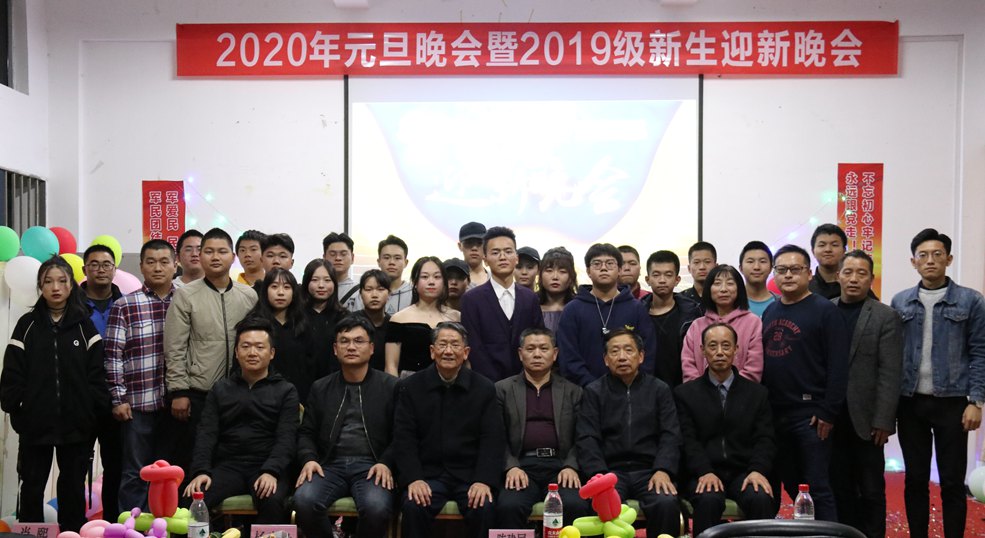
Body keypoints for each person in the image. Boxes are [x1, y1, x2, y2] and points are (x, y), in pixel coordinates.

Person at [0, 256, 107, 533]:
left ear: (71, 285)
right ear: (40, 286)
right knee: (32, 486)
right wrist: (18, 409)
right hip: (35, 424)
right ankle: (30, 533)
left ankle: (72, 532)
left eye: (62, 281)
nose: (55, 287)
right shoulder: (27, 325)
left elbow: (97, 376)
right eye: (48, 281)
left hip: (77, 426)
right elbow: (12, 372)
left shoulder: (85, 326)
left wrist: (92, 413)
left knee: (72, 486)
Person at [891, 228, 985, 538]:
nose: (930, 260)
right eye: (923, 255)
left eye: (937, 254)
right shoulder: (900, 301)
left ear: (949, 259)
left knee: (952, 481)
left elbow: (980, 351)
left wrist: (976, 401)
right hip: (910, 402)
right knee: (915, 479)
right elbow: (893, 354)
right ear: (913, 262)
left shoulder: (971, 300)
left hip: (954, 403)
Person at [761, 244, 849, 522]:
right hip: (776, 413)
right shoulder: (771, 311)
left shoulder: (825, 311)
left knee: (817, 486)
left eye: (795, 269)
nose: (788, 275)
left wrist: (828, 411)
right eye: (781, 270)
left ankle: (827, 534)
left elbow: (838, 366)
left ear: (809, 274)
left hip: (811, 416)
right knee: (791, 483)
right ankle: (805, 530)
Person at [163, 228, 258, 479]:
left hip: (239, 393)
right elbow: (174, 347)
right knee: (196, 460)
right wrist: (179, 391)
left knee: (231, 462)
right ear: (201, 256)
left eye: (222, 251)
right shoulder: (186, 295)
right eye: (209, 251)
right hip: (199, 393)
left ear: (232, 257)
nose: (215, 257)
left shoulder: (248, 296)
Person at [394, 322, 504, 538]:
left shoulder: (484, 388)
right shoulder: (411, 387)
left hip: (469, 475)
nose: (448, 351)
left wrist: (483, 480)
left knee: (484, 506)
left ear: (466, 352)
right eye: (442, 344)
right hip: (428, 474)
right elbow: (404, 438)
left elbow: (492, 439)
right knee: (413, 505)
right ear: (432, 351)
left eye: (455, 345)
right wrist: (413, 478)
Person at [183, 317, 298, 523]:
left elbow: (287, 438)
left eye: (260, 347)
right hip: (228, 466)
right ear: (236, 352)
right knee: (193, 498)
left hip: (265, 465)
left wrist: (271, 470)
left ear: (271, 353)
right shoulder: (221, 389)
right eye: (245, 346)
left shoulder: (286, 390)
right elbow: (206, 433)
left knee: (273, 500)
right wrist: (201, 471)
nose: (252, 352)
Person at [294, 315, 398, 538]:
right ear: (335, 349)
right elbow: (306, 432)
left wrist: (386, 462)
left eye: (358, 341)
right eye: (344, 341)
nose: (351, 347)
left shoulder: (391, 387)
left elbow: (402, 434)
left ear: (372, 348)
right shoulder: (320, 387)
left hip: (373, 466)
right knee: (304, 500)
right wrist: (309, 458)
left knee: (376, 508)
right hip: (329, 465)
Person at [673, 323, 777, 536]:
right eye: (712, 346)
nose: (719, 352)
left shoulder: (757, 394)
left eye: (726, 346)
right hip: (703, 471)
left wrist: (757, 470)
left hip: (744, 471)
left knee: (760, 496)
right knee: (708, 498)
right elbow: (688, 440)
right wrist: (704, 471)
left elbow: (765, 438)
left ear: (736, 349)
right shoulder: (686, 394)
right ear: (702, 350)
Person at [575, 329, 682, 537]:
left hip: (650, 471)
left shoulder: (659, 389)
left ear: (640, 356)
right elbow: (587, 438)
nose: (622, 357)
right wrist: (600, 476)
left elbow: (671, 434)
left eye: (628, 350)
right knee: (603, 507)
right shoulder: (594, 391)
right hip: (610, 472)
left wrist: (663, 469)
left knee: (666, 502)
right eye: (615, 351)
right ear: (606, 360)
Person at [829, 250, 903, 538]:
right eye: (848, 272)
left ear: (871, 278)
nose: (854, 279)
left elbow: (890, 371)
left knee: (871, 489)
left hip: (868, 419)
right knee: (839, 486)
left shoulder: (885, 316)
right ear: (838, 276)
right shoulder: (826, 310)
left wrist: (884, 420)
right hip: (832, 417)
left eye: (861, 273)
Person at [104, 240, 177, 512]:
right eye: (151, 262)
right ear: (141, 266)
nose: (158, 268)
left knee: (170, 473)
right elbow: (113, 355)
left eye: (164, 262)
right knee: (135, 472)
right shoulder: (125, 305)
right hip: (137, 404)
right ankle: (132, 528)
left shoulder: (185, 301)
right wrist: (118, 398)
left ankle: (167, 528)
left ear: (175, 265)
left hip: (175, 405)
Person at [495, 328, 591, 529]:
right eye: (530, 349)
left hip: (560, 465)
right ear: (520, 354)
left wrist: (571, 466)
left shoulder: (573, 391)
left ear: (555, 354)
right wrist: (510, 466)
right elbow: (495, 436)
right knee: (508, 506)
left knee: (576, 504)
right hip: (521, 466)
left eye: (544, 349)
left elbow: (583, 436)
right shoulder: (502, 389)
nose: (537, 354)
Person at [557, 243, 656, 387]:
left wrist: (633, 386)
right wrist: (593, 388)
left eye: (610, 263)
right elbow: (568, 357)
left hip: (630, 391)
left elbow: (647, 353)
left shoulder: (636, 308)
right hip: (584, 392)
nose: (603, 268)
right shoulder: (572, 310)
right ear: (588, 271)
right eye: (597, 264)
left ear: (619, 270)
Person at [460, 226, 545, 382]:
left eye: (508, 251)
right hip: (486, 384)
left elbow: (538, 339)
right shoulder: (471, 300)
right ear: (485, 259)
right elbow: (475, 347)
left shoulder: (530, 298)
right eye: (495, 252)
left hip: (526, 382)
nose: (502, 257)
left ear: (516, 257)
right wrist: (493, 384)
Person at [80, 244, 124, 516]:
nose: (100, 269)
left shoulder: (125, 304)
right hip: (81, 399)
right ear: (85, 269)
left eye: (106, 264)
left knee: (116, 467)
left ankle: (112, 523)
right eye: (94, 264)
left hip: (116, 399)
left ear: (114, 269)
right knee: (75, 468)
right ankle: (72, 525)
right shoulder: (72, 305)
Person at [247, 268, 321, 403]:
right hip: (259, 398)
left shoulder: (304, 325)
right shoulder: (253, 325)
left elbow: (312, 368)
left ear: (294, 293)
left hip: (298, 398)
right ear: (265, 291)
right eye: (274, 286)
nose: (280, 292)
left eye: (287, 287)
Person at [681, 264, 764, 383]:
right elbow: (688, 365)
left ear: (739, 288)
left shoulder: (752, 322)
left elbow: (754, 367)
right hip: (700, 393)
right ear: (709, 289)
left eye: (730, 283)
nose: (723, 289)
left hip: (742, 392)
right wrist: (702, 391)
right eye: (717, 283)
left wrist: (732, 390)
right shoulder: (696, 325)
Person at [385, 256, 460, 377]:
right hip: (409, 383)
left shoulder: (456, 317)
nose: (431, 282)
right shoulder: (399, 319)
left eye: (437, 277)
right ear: (415, 282)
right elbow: (391, 366)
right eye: (425, 277)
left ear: (444, 282)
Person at [641, 250, 702, 388]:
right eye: (656, 275)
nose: (662, 280)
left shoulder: (692, 313)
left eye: (668, 275)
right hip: (646, 388)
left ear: (677, 280)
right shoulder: (638, 313)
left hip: (684, 387)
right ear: (647, 280)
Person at [301, 259, 347, 376]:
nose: (321, 285)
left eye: (327, 280)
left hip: (335, 380)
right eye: (315, 280)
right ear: (306, 282)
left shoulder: (344, 317)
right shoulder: (295, 315)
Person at [352, 269, 392, 372]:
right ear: (360, 293)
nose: (374, 295)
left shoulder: (394, 324)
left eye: (380, 289)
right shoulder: (350, 322)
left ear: (389, 293)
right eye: (368, 289)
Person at [537, 247, 577, 335]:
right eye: (549, 271)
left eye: (562, 271)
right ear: (540, 275)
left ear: (571, 277)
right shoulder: (531, 305)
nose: (555, 277)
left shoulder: (579, 307)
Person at [323, 232, 362, 311]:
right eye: (332, 254)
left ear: (352, 258)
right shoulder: (316, 288)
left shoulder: (360, 292)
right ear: (324, 258)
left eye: (343, 254)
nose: (338, 258)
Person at [808, 224, 848, 299]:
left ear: (844, 250)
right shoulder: (804, 287)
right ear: (813, 251)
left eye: (834, 245)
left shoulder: (853, 285)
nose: (828, 249)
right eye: (822, 245)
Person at [738, 241, 777, 317]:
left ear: (771, 268)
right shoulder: (730, 303)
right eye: (750, 262)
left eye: (762, 261)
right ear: (741, 268)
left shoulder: (782, 303)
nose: (756, 267)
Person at [378, 234, 412, 314]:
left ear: (406, 262)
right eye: (386, 258)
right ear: (378, 262)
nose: (392, 262)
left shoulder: (415, 294)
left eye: (397, 258)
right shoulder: (367, 293)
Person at [680, 241, 717, 306]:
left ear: (716, 267)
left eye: (707, 262)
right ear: (689, 268)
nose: (702, 267)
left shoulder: (723, 297)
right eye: (696, 262)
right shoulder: (680, 299)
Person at [458, 221, 488, 289]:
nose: (474, 248)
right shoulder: (452, 280)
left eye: (479, 243)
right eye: (469, 243)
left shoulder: (495, 279)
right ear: (460, 246)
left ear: (486, 245)